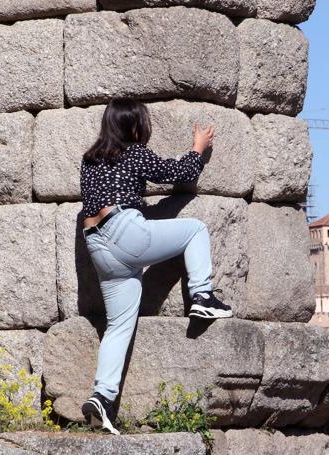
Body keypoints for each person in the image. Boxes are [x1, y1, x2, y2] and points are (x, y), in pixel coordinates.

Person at [78, 97, 233, 435]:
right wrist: (198, 147)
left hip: (97, 245)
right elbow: (178, 174)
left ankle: (101, 398)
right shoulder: (134, 152)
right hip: (124, 231)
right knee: (195, 230)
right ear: (135, 126)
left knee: (119, 326)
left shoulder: (89, 161)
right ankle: (203, 297)